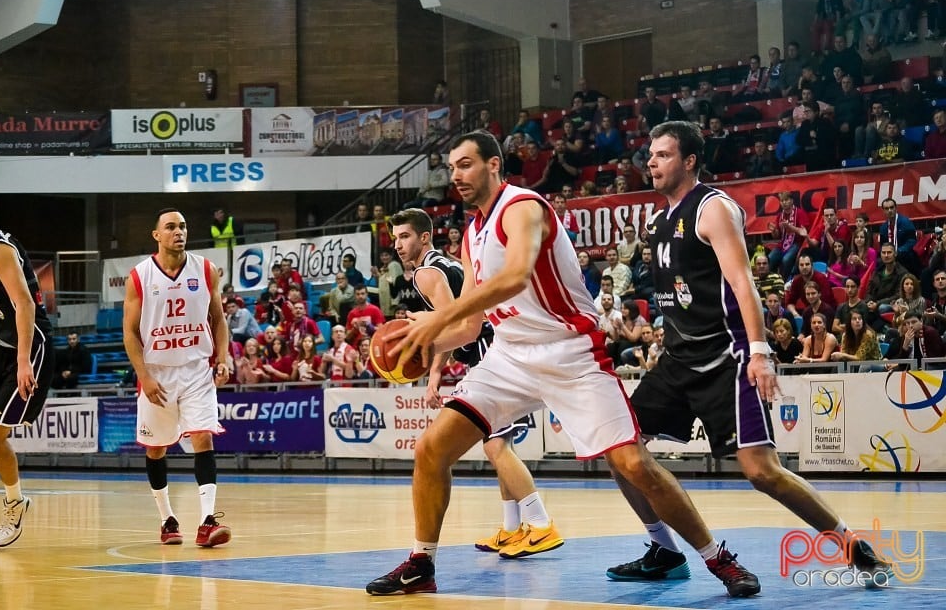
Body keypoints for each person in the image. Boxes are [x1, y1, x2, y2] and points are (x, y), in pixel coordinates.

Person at [366, 130, 762, 598]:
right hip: (510, 354)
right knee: (431, 449)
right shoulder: (472, 233)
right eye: (452, 167)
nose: (457, 175)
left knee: (634, 464)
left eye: (467, 164)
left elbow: (515, 277)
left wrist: (437, 318)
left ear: (494, 165)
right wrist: (423, 340)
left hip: (571, 350)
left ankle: (716, 556)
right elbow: (471, 327)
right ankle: (421, 563)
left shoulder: (523, 207)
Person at [602, 121, 889, 590]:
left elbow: (743, 284)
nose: (651, 163)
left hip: (726, 358)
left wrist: (759, 354)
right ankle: (665, 550)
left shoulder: (713, 208)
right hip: (676, 360)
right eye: (649, 155)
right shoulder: (657, 222)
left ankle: (851, 544)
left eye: (663, 155)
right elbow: (680, 296)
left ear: (689, 161)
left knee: (762, 473)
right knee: (620, 453)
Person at [389, 207, 561, 559]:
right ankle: (513, 528)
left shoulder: (425, 273)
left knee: (495, 447)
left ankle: (540, 523)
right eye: (394, 239)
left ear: (424, 237)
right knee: (499, 445)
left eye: (404, 236)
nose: (398, 245)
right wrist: (436, 369)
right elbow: (456, 320)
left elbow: (456, 321)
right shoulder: (447, 263)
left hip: (489, 349)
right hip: (494, 343)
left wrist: (424, 346)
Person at [123, 209, 232, 548]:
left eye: (183, 226)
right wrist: (143, 374)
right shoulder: (139, 276)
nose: (178, 231)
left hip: (197, 368)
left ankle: (207, 521)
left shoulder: (205, 269)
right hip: (157, 373)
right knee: (156, 449)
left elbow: (218, 319)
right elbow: (129, 332)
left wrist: (224, 358)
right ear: (156, 235)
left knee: (203, 437)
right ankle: (167, 518)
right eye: (170, 227)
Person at [0, 222, 54, 547]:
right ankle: (16, 502)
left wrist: (24, 361)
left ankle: (14, 504)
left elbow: (25, 304)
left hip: (26, 348)